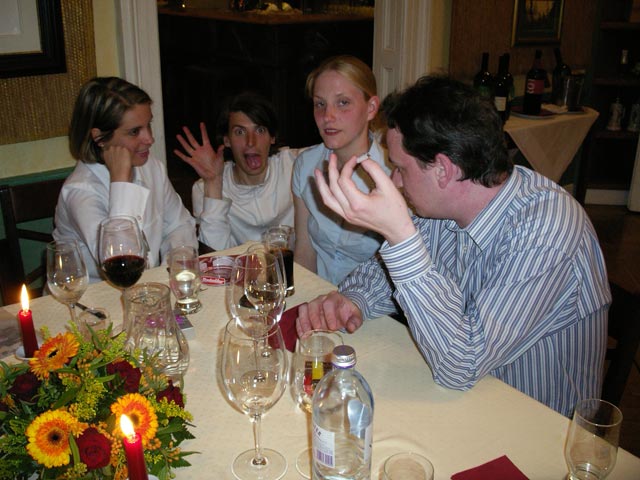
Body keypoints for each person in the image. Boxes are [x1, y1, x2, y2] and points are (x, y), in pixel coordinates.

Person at [296, 75, 611, 417]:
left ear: (444, 170)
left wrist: (401, 236)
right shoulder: (441, 207)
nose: (396, 182)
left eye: (400, 169)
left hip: (536, 432)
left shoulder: (546, 231)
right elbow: (380, 275)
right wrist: (352, 299)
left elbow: (461, 363)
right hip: (469, 403)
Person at [54, 77, 197, 282]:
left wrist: (172, 270)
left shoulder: (151, 167)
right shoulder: (80, 190)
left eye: (148, 125)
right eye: (134, 131)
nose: (149, 139)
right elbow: (121, 263)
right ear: (99, 138)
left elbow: (179, 225)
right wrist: (120, 181)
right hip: (91, 301)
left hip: (148, 290)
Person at [292, 55, 392, 285]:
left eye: (343, 102)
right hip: (318, 296)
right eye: (320, 104)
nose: (328, 117)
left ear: (371, 108)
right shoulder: (306, 165)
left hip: (376, 307)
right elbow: (304, 252)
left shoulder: (393, 174)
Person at [175, 92, 302, 250]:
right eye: (240, 132)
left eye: (260, 130)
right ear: (227, 140)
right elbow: (216, 257)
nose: (251, 142)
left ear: (272, 137)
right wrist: (214, 183)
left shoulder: (296, 165)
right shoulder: (204, 188)